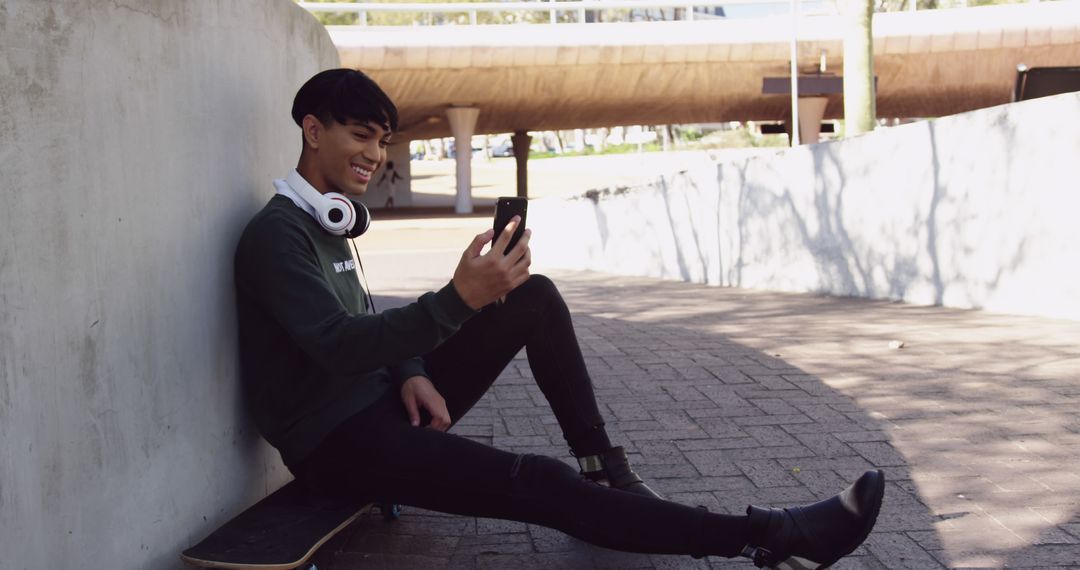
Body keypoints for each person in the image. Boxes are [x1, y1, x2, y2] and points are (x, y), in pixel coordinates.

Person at [233, 68, 884, 568]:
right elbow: (337, 344)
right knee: (537, 483)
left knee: (533, 296)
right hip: (336, 446)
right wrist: (460, 298)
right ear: (313, 131)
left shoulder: (330, 225)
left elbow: (364, 317)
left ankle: (605, 467)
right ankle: (769, 538)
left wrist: (410, 370)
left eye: (381, 140)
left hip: (380, 401)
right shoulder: (277, 237)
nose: (374, 154)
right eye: (360, 136)